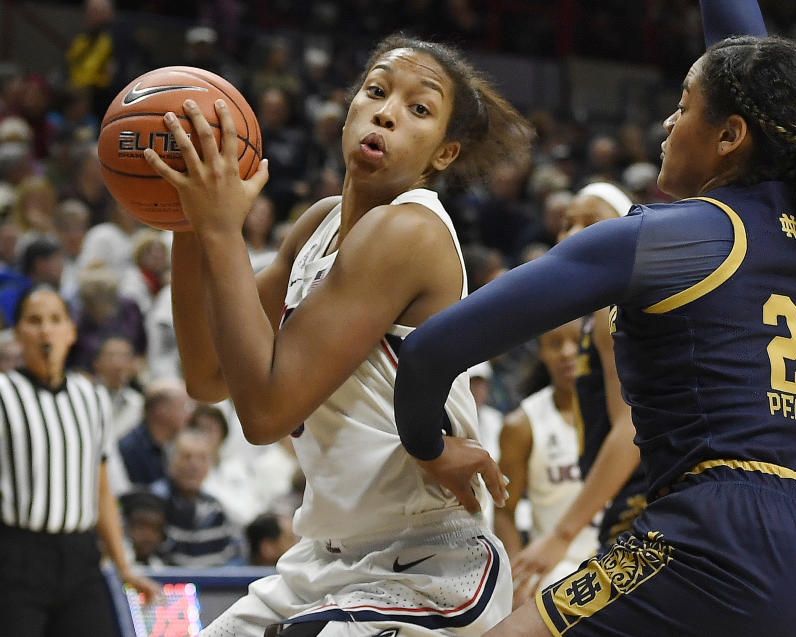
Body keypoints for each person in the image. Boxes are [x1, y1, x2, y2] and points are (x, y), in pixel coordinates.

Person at [392, 1, 796, 634]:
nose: (669, 119)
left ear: (731, 135)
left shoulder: (665, 240)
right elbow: (754, 63)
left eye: (685, 104)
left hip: (730, 539)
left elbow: (427, 352)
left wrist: (428, 444)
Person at [144, 33, 531, 637]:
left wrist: (222, 230)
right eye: (376, 91)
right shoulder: (317, 224)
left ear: (444, 154)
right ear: (349, 107)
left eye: (418, 109)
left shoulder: (409, 230)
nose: (386, 111)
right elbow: (208, 376)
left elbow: (265, 414)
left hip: (427, 566)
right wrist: (187, 221)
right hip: (324, 560)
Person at [510, 181, 647, 602]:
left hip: (647, 511)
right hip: (629, 509)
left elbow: (633, 430)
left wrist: (560, 536)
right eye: (566, 223)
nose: (572, 234)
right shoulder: (597, 314)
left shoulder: (618, 309)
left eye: (591, 222)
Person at [0, 286, 158, 636]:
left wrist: (123, 565)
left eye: (55, 320)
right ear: (18, 333)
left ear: (71, 332)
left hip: (80, 556)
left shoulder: (91, 397)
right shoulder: (4, 393)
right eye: (34, 321)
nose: (45, 330)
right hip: (16, 555)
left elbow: (101, 490)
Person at [494, 319, 601, 599]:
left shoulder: (624, 415)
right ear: (541, 351)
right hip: (556, 568)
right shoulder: (521, 424)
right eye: (555, 344)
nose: (567, 352)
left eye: (576, 342)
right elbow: (504, 512)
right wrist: (517, 578)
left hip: (620, 556)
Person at [150, 427, 242, 567]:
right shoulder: (152, 503)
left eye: (202, 458)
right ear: (170, 461)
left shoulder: (216, 509)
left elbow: (233, 556)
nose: (194, 465)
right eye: (187, 457)